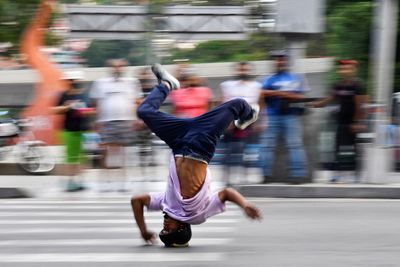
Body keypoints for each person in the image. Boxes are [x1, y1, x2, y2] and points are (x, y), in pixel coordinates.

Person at [131, 64, 262, 247]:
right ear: (182, 228)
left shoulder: (165, 204)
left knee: (144, 112)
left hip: (177, 141)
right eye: (168, 229)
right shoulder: (198, 215)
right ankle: (247, 117)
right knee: (238, 104)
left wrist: (143, 230)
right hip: (200, 144)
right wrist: (244, 205)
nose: (164, 225)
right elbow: (226, 193)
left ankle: (167, 84)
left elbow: (136, 201)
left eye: (163, 229)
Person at [90, 59, 142, 191]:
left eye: (120, 66)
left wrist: (137, 119)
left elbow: (137, 102)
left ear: (124, 68)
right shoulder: (101, 83)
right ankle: (105, 182)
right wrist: (97, 121)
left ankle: (122, 182)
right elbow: (97, 103)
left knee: (123, 152)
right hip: (107, 121)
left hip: (126, 120)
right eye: (114, 66)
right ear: (110, 68)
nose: (117, 68)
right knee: (105, 152)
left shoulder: (132, 83)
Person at [312, 60, 368, 182]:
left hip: (353, 122)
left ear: (354, 70)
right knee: (338, 148)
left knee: (353, 148)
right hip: (341, 121)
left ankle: (356, 175)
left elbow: (361, 105)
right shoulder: (338, 85)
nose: (344, 71)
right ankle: (337, 174)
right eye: (342, 69)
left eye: (348, 68)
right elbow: (332, 97)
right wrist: (318, 104)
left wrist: (358, 122)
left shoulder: (358, 85)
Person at [259, 51, 308, 184]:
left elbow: (302, 97)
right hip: (272, 116)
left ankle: (298, 175)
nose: (279, 62)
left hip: (291, 115)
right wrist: (279, 93)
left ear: (287, 61)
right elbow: (260, 92)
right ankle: (266, 175)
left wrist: (285, 95)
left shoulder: (296, 78)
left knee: (295, 145)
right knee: (267, 146)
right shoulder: (268, 78)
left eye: (282, 59)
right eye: (277, 60)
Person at [220, 62, 262, 184]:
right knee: (228, 151)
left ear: (250, 71)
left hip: (249, 122)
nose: (243, 71)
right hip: (230, 122)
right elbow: (223, 103)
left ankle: (245, 179)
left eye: (245, 69)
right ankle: (226, 179)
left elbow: (260, 104)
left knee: (247, 151)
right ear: (236, 70)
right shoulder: (227, 85)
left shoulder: (256, 86)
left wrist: (261, 121)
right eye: (240, 69)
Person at [53, 70, 91, 192]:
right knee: (70, 157)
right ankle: (70, 182)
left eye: (77, 80)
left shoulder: (84, 95)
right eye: (72, 80)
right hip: (69, 130)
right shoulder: (63, 95)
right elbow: (53, 110)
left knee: (81, 158)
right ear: (68, 81)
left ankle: (79, 181)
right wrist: (68, 106)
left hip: (82, 130)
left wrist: (84, 110)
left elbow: (90, 110)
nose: (75, 82)